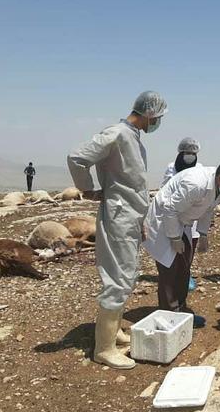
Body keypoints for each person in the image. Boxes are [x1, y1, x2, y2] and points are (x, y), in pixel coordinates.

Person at [67, 90, 167, 369]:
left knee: (129, 273)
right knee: (118, 278)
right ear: (149, 113)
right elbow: (77, 157)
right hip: (119, 216)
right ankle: (104, 348)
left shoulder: (133, 138)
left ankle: (115, 330)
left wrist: (142, 222)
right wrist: (86, 189)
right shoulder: (118, 133)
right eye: (157, 117)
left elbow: (133, 183)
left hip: (131, 216)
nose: (157, 122)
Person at [144, 160, 220, 327]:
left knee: (184, 266)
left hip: (181, 221)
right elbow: (170, 209)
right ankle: (169, 314)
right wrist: (175, 237)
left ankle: (180, 309)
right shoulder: (195, 184)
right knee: (170, 268)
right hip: (163, 221)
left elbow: (208, 209)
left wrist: (203, 233)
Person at [162, 137, 203, 292]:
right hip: (174, 212)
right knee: (173, 246)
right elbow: (164, 189)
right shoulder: (171, 168)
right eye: (187, 152)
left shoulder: (199, 168)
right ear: (181, 152)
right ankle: (172, 275)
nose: (190, 155)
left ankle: (186, 275)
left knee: (190, 245)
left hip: (191, 213)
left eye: (193, 153)